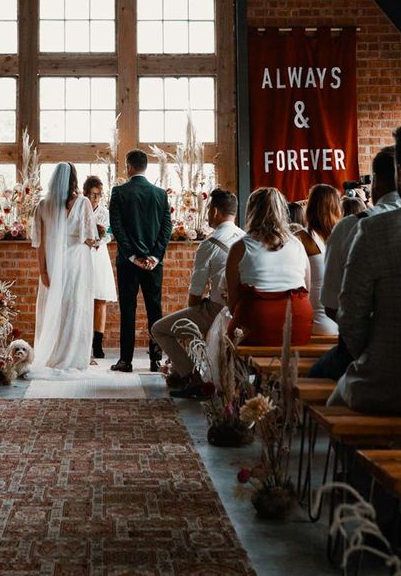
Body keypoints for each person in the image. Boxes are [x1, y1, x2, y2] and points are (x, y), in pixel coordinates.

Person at [328, 121, 401, 414]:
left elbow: (350, 317)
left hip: (390, 385)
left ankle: (355, 462)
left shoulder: (373, 230)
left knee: (332, 409)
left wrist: (374, 355)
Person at [309, 147, 401, 380]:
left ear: (376, 182)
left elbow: (331, 306)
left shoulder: (349, 227)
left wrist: (364, 343)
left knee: (312, 379)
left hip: (358, 354)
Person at [151, 188, 242, 394]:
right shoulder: (246, 238)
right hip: (243, 310)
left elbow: (195, 294)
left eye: (209, 208)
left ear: (216, 212)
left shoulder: (209, 244)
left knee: (159, 329)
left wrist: (193, 318)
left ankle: (193, 378)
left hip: (218, 309)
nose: (208, 213)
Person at [31, 162, 99, 373]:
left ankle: (52, 354)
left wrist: (43, 271)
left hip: (53, 264)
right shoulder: (83, 203)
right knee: (76, 307)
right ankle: (75, 356)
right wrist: (97, 239)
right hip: (77, 264)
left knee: (55, 308)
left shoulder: (42, 206)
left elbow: (40, 244)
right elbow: (90, 238)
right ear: (74, 180)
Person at [108, 150, 172, 373]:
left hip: (128, 263)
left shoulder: (119, 192)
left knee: (128, 309)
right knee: (155, 309)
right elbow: (166, 228)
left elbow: (117, 228)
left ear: (129, 167)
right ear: (146, 167)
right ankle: (156, 360)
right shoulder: (160, 194)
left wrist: (132, 256)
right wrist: (154, 256)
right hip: (154, 264)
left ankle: (126, 361)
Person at [225, 187, 313, 345]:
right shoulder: (297, 244)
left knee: (226, 340)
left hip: (257, 323)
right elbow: (307, 287)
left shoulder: (240, 247)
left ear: (251, 211)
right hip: (298, 324)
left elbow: (233, 299)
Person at [294, 184, 341, 336]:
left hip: (314, 323)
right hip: (341, 322)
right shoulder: (344, 235)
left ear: (310, 206)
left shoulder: (300, 238)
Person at [82, 176, 117, 359]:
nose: (96, 198)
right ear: (86, 193)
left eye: (99, 195)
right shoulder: (80, 209)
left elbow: (110, 233)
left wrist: (100, 241)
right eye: (93, 194)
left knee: (100, 299)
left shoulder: (104, 212)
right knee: (82, 299)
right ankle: (82, 341)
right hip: (83, 254)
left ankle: (98, 343)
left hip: (99, 254)